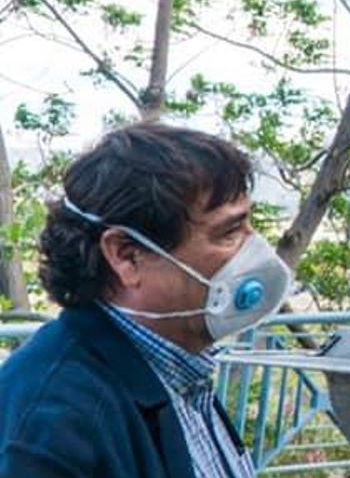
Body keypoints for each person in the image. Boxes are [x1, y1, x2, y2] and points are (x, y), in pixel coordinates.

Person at [0, 123, 292, 477]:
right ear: (126, 256)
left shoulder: (178, 370)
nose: (254, 248)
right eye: (228, 232)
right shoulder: (55, 424)